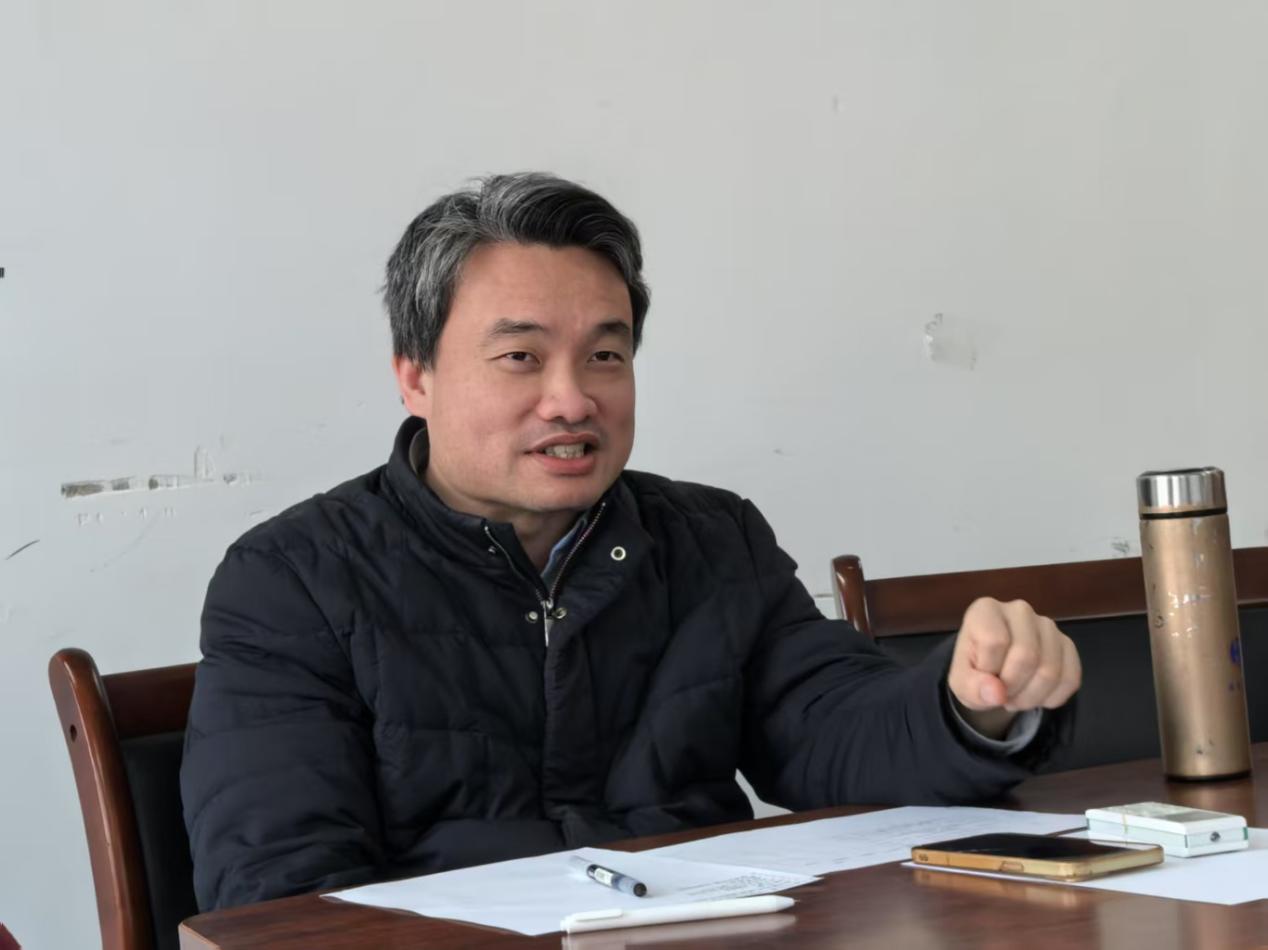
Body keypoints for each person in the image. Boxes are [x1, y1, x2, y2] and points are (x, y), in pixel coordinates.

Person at [181, 173, 1081, 911]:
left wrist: (971, 706)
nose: (573, 399)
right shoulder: (294, 579)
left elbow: (829, 731)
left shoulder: (709, 539)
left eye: (605, 355)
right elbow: (279, 893)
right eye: (521, 357)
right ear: (415, 378)